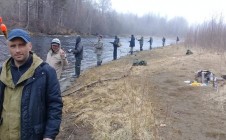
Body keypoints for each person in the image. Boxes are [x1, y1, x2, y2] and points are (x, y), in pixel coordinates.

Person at [0, 29, 63, 140]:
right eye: (13, 46)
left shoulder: (46, 72)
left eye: (22, 45)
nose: (17, 50)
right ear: (8, 48)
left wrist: (49, 135)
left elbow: (55, 106)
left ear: (30, 46)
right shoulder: (2, 71)